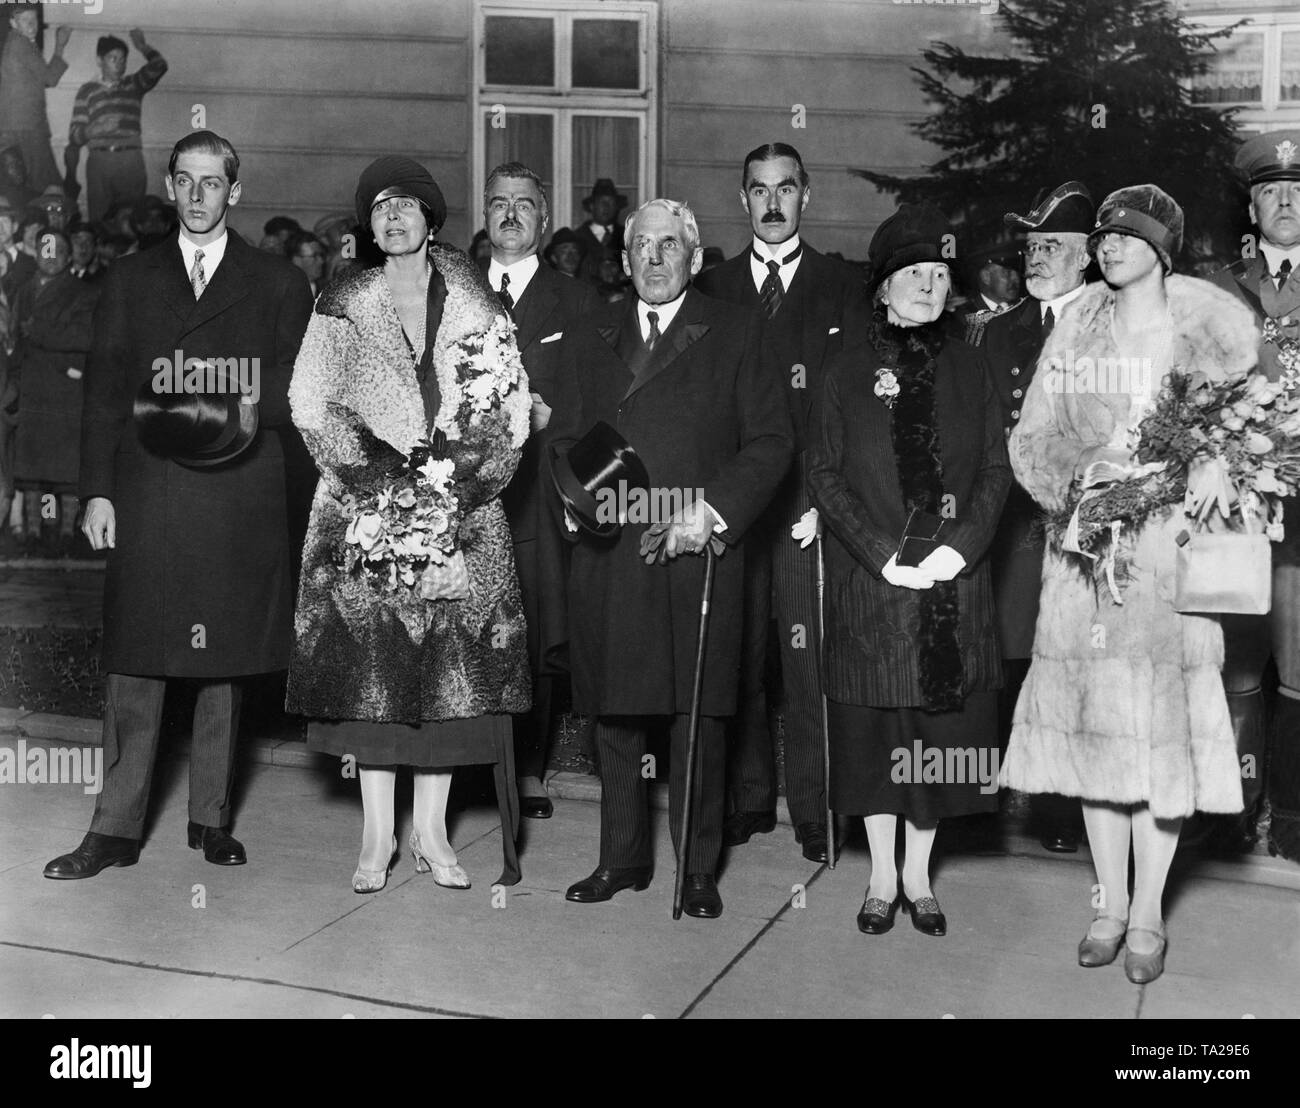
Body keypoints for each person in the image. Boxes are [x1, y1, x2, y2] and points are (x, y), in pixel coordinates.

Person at [42, 130, 314, 880]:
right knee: (136, 655)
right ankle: (115, 826)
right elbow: (101, 395)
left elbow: (299, 390)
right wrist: (96, 491)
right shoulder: (130, 280)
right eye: (185, 181)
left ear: (237, 191)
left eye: (213, 182)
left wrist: (218, 402)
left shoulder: (280, 284)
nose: (198, 196)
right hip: (148, 488)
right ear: (169, 188)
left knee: (224, 658)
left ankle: (210, 818)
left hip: (236, 492)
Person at [1001, 185, 1256, 982]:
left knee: (1162, 744)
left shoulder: (1213, 325)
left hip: (1174, 561)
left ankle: (1149, 913)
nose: (1107, 244)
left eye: (1126, 233)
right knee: (1092, 741)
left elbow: (1267, 421)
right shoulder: (1076, 324)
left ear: (1163, 248)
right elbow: (1030, 439)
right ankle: (1109, 903)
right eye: (1103, 233)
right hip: (1087, 560)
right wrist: (1090, 473)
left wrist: (1222, 458)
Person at [286, 155, 532, 893]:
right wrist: (385, 486)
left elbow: (505, 410)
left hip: (461, 518)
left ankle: (431, 831)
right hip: (365, 517)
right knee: (376, 680)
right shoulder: (341, 299)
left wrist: (449, 493)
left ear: (431, 218)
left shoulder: (476, 298)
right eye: (381, 207)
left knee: (452, 680)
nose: (393, 218)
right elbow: (310, 400)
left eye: (408, 205)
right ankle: (375, 837)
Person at [551, 198, 793, 918]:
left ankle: (696, 869)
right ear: (624, 261)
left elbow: (772, 442)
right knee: (616, 714)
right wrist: (569, 501)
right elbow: (562, 436)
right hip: (612, 548)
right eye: (642, 247)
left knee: (699, 715)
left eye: (669, 246)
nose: (655, 259)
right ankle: (621, 859)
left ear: (694, 256)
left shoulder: (738, 330)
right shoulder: (591, 334)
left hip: (697, 549)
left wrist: (711, 512)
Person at [807, 203, 1009, 938]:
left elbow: (995, 465)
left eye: (938, 273)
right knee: (878, 734)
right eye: (912, 273)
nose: (928, 285)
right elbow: (823, 473)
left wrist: (963, 545)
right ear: (883, 287)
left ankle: (921, 875)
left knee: (937, 736)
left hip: (954, 583)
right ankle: (880, 874)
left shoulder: (971, 364)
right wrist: (882, 553)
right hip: (875, 587)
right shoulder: (845, 367)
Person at [695, 141, 869, 864]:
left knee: (808, 668)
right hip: (736, 510)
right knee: (738, 663)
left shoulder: (842, 286)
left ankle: (816, 811)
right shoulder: (711, 287)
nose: (772, 202)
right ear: (742, 199)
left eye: (786, 189)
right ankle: (744, 800)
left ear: (807, 196)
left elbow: (854, 408)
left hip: (806, 512)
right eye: (759, 190)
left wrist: (830, 502)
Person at [979, 181, 1095, 854]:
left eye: (1052, 244)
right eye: (1030, 244)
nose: (1036, 256)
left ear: (1087, 256)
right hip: (1009, 530)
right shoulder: (999, 333)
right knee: (1004, 660)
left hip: (1083, 529)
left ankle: (1060, 811)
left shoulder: (1112, 326)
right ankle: (990, 799)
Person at [481, 162, 598, 818]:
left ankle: (526, 771)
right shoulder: (456, 292)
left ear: (544, 219)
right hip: (467, 496)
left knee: (532, 631)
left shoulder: (577, 301)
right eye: (498, 203)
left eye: (524, 204)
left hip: (539, 495)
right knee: (471, 628)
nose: (510, 215)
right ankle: (473, 765)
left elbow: (591, 406)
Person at [1206, 130, 1300, 862]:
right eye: (1272, 190)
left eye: (1298, 190)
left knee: (1299, 671)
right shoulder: (1219, 285)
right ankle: (1231, 812)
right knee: (1236, 669)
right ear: (1252, 204)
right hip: (1237, 510)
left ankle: (1293, 818)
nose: (1286, 200)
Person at [9, 227, 99, 534]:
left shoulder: (84, 292)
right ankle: (35, 531)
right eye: (45, 249)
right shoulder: (24, 289)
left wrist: (40, 333)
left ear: (69, 254)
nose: (51, 256)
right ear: (35, 251)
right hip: (31, 390)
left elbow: (87, 336)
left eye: (59, 250)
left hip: (64, 391)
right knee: (32, 468)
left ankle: (66, 533)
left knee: (64, 468)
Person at [64, 30, 168, 222]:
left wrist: (142, 47)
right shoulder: (87, 91)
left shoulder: (133, 85)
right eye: (113, 58)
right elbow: (74, 135)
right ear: (99, 60)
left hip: (131, 160)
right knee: (100, 219)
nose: (119, 64)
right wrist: (91, 130)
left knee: (133, 219)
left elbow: (159, 65)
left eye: (123, 59)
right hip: (99, 161)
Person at [0, 6, 69, 193]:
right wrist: (60, 46)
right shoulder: (21, 43)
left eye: (34, 19)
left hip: (15, 127)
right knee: (47, 184)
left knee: (21, 184)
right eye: (25, 19)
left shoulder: (14, 44)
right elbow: (50, 78)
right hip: (28, 127)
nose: (31, 24)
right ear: (13, 23)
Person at [958, 237, 1022, 345]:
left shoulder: (1024, 310)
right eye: (1007, 273)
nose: (1015, 278)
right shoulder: (963, 318)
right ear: (986, 277)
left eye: (1017, 272)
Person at [573, 177, 626, 287]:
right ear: (592, 206)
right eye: (602, 202)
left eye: (611, 202)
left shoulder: (628, 236)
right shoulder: (576, 238)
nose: (606, 207)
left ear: (616, 207)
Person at [287, 230, 326, 296]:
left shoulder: (326, 289)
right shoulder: (284, 292)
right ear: (296, 260)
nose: (321, 261)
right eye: (314, 256)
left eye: (321, 255)